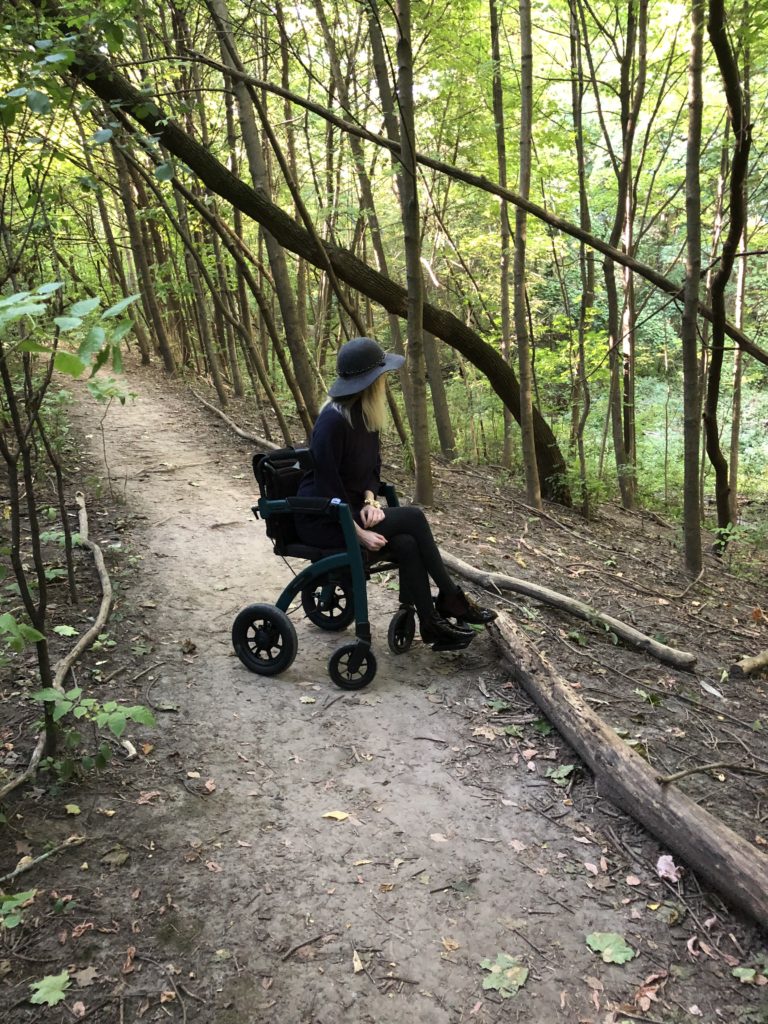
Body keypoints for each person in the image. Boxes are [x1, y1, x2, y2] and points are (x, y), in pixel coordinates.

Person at [296, 337, 497, 647]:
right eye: (382, 376)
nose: (385, 382)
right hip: (322, 519)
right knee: (414, 517)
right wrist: (359, 534)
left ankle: (431, 623)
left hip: (350, 512)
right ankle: (451, 597)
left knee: (407, 543)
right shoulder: (332, 422)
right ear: (369, 381)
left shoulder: (366, 417)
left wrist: (370, 501)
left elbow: (371, 470)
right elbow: (326, 488)